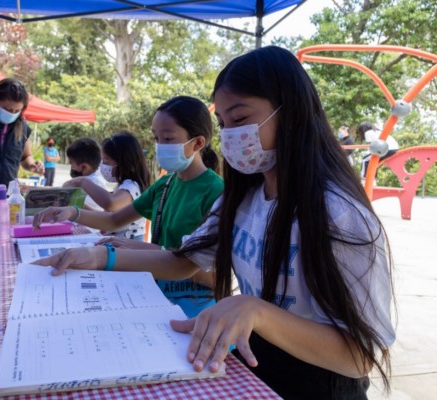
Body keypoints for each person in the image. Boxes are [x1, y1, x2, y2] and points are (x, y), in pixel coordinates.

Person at [35, 47, 395, 399]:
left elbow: (361, 355)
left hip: (319, 383)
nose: (231, 136)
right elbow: (183, 261)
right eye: (223, 123)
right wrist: (100, 258)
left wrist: (256, 311)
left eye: (239, 119)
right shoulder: (241, 198)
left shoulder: (341, 216)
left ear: (292, 114)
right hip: (256, 363)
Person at [33, 95, 224, 318]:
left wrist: (141, 251)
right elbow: (114, 220)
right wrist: (72, 213)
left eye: (168, 139)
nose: (160, 146)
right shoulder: (166, 184)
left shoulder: (216, 192)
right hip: (155, 296)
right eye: (156, 138)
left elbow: (207, 273)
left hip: (195, 310)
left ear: (198, 143)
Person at [63, 131, 151, 240]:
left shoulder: (131, 186)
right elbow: (108, 220)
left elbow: (110, 203)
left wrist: (82, 182)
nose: (103, 166)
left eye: (106, 161)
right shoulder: (122, 186)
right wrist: (79, 206)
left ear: (123, 161)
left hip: (129, 246)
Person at [63, 137, 109, 211]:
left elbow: (91, 211)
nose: (71, 165)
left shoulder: (92, 183)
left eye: (71, 162)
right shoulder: (97, 175)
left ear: (84, 166)